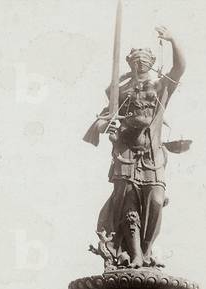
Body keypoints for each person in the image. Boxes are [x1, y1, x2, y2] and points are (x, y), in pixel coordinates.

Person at [84, 27, 186, 268]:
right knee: (128, 205)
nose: (140, 64)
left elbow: (179, 68)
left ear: (152, 63)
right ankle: (136, 254)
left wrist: (173, 40)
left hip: (153, 152)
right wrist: (106, 125)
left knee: (156, 201)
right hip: (126, 154)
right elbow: (102, 120)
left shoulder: (161, 87)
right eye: (136, 61)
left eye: (145, 61)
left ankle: (147, 249)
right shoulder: (120, 92)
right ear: (130, 63)